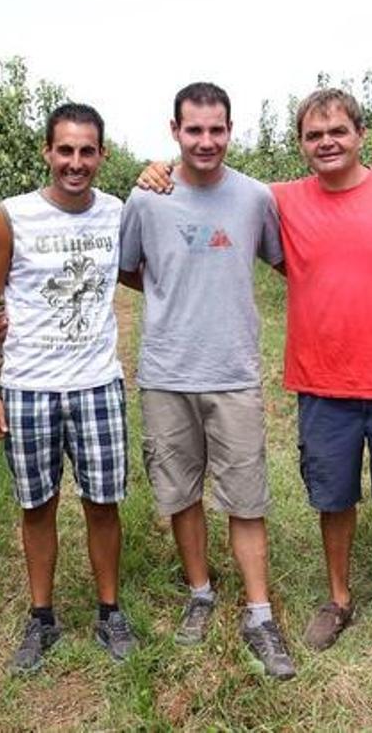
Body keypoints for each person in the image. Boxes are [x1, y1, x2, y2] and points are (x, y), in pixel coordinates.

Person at [139, 88, 372, 682]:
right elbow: (209, 191)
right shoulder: (279, 200)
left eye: (338, 131)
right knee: (332, 499)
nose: (327, 143)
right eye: (314, 136)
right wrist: (156, 171)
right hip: (322, 383)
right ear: (301, 144)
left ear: (361, 133)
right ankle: (339, 600)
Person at [118, 82, 295, 680]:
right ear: (174, 132)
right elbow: (131, 272)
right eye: (194, 130)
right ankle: (200, 592)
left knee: (245, 496)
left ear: (230, 129)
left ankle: (259, 612)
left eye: (216, 130)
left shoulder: (254, 198)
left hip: (234, 372)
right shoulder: (145, 200)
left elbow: (283, 263)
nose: (206, 141)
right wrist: (176, 295)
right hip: (167, 371)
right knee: (181, 491)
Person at [0, 102, 136, 674]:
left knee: (103, 504)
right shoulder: (11, 217)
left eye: (87, 151)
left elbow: (143, 268)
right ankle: (42, 618)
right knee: (37, 505)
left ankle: (109, 611)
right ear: (47, 152)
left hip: (95, 384)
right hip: (30, 388)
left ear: (102, 156)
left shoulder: (117, 213)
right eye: (65, 149)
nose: (75, 162)